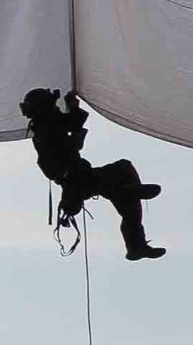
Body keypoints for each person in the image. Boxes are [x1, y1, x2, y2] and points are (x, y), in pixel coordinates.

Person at [19, 89, 165, 261]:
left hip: (78, 179)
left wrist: (71, 108)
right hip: (78, 179)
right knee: (123, 174)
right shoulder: (46, 124)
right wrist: (72, 107)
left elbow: (70, 126)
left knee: (125, 194)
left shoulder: (44, 125)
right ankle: (134, 238)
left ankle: (135, 242)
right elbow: (72, 125)